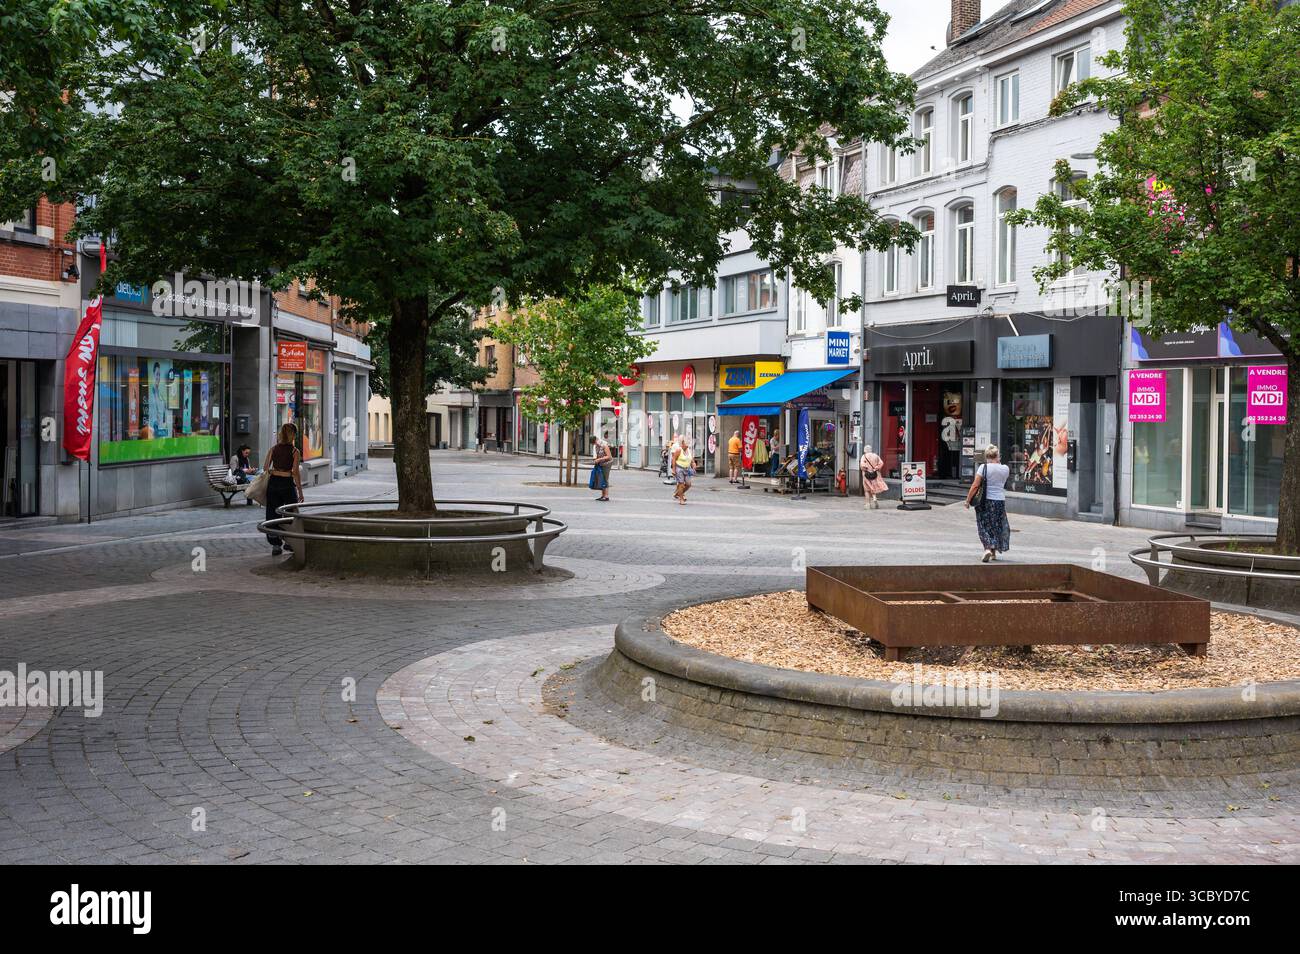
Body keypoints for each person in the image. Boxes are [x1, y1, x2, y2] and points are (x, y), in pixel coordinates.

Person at [263, 422, 304, 556]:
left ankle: (275, 544)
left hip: (273, 484)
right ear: (293, 435)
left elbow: (265, 468)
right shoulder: (294, 451)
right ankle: (289, 541)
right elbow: (296, 473)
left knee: (272, 514)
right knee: (291, 513)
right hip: (287, 484)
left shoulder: (273, 449)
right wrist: (300, 491)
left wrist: (275, 471)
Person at [965, 444, 1011, 562]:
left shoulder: (983, 468)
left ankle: (987, 549)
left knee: (984, 525)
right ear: (998, 455)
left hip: (985, 501)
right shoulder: (1005, 469)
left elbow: (975, 486)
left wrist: (968, 500)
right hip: (1000, 501)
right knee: (996, 525)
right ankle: (994, 552)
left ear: (987, 456)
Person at [860, 445, 888, 510]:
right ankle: (875, 499)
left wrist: (866, 469)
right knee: (873, 488)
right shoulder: (875, 456)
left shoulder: (864, 456)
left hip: (866, 475)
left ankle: (868, 504)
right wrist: (876, 468)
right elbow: (881, 463)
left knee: (867, 490)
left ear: (865, 450)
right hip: (875, 474)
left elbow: (862, 466)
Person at [591, 435, 613, 502]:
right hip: (601, 463)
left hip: (607, 464)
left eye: (595, 442)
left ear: (596, 439)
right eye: (593, 443)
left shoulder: (604, 445)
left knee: (605, 479)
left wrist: (599, 459)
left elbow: (609, 456)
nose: (595, 444)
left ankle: (606, 496)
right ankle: (603, 495)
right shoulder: (596, 445)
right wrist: (596, 460)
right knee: (602, 478)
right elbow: (598, 454)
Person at [673, 438, 694, 504]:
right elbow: (674, 459)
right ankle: (681, 499)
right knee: (681, 484)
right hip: (679, 469)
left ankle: (678, 493)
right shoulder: (679, 450)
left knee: (688, 484)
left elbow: (691, 460)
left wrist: (693, 464)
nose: (687, 445)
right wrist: (673, 470)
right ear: (682, 444)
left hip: (687, 469)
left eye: (688, 444)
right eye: (686, 444)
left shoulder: (689, 451)